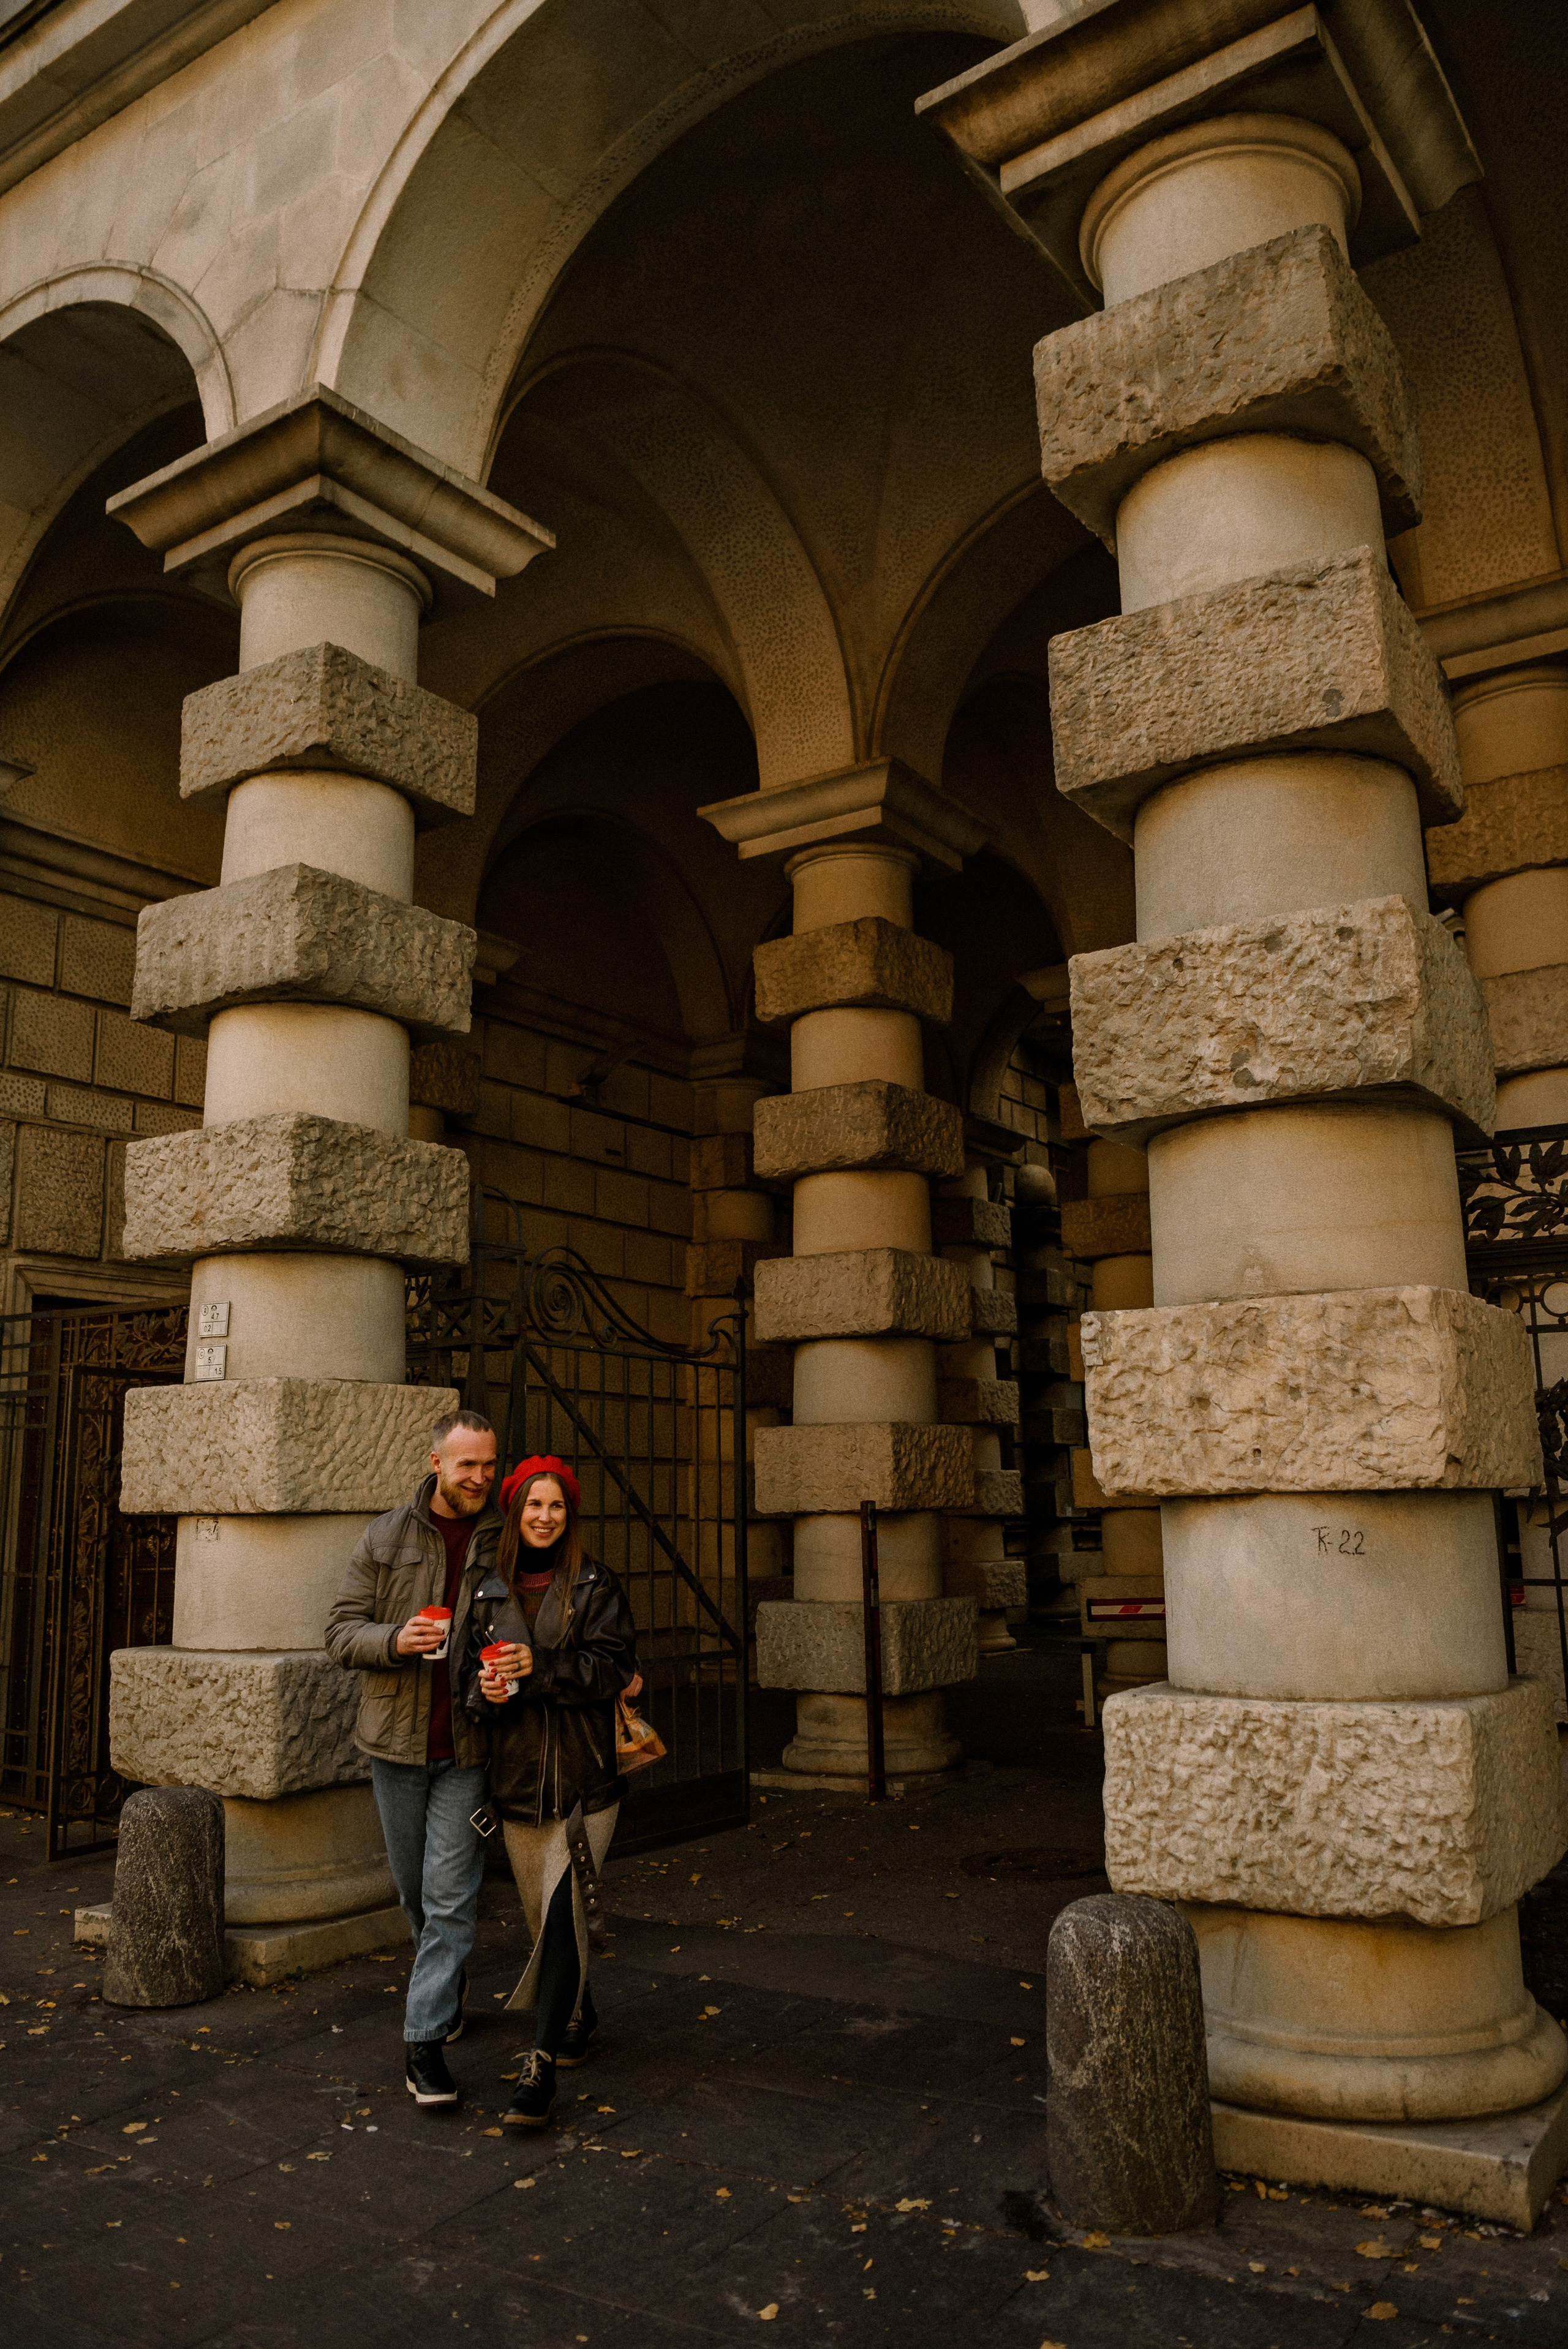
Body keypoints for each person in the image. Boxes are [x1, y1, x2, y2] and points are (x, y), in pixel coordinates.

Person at [325, 1408, 501, 2111]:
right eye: (468, 1466)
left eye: (489, 1465)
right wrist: (396, 1640)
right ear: (437, 1464)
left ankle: (422, 2044)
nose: (481, 1478)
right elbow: (340, 1633)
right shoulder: (386, 1535)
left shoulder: (505, 1537)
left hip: (469, 1746)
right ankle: (447, 1988)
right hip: (394, 1745)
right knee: (415, 1893)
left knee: (452, 1895)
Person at [464, 1454, 639, 2130]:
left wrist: (540, 1668)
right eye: (533, 1504)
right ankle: (577, 2009)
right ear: (514, 1512)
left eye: (557, 1505)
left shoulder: (595, 1584)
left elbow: (613, 1666)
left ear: (570, 1515)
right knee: (542, 1920)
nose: (545, 1516)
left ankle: (536, 2065)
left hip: (585, 1780)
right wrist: (487, 1692)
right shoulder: (484, 1592)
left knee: (563, 1915)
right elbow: (465, 1691)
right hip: (514, 1785)